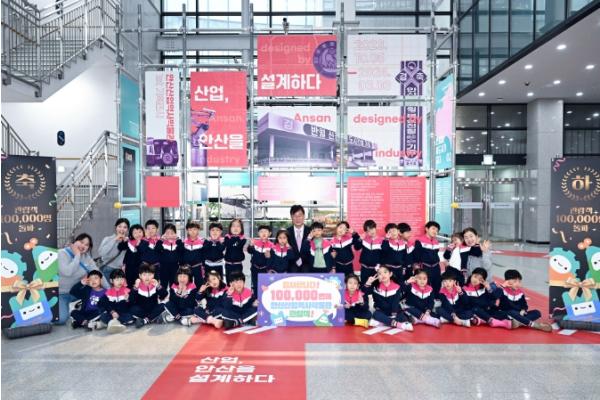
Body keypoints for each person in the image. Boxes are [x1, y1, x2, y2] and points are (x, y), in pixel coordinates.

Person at [57, 233, 108, 325]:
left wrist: (110, 291)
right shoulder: (61, 253)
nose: (83, 246)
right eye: (81, 242)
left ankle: (80, 308)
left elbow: (98, 273)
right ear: (75, 241)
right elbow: (67, 272)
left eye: (86, 245)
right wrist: (77, 255)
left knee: (96, 288)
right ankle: (73, 309)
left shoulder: (87, 258)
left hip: (77, 293)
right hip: (61, 293)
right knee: (61, 319)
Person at [363, 265, 413, 331]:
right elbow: (363, 293)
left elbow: (395, 302)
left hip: (394, 312)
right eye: (380, 273)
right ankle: (397, 324)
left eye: (385, 272)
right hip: (381, 311)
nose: (383, 275)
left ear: (390, 274)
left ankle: (384, 322)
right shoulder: (375, 287)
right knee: (376, 314)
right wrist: (368, 283)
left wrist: (393, 314)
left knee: (402, 317)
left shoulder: (397, 287)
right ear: (377, 276)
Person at [130, 262, 169, 328]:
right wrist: (135, 287)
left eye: (150, 274)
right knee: (132, 309)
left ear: (153, 275)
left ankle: (145, 320)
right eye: (144, 275)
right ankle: (153, 318)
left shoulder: (155, 284)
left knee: (164, 305)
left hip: (153, 308)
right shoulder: (138, 285)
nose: (147, 277)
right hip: (141, 310)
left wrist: (158, 286)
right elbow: (131, 299)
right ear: (140, 276)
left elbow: (164, 294)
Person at [97, 269, 134, 333]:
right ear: (111, 281)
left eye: (122, 279)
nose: (120, 281)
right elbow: (103, 303)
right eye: (117, 279)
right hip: (112, 314)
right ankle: (116, 323)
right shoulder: (108, 292)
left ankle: (111, 324)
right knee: (103, 316)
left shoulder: (127, 291)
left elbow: (131, 305)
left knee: (130, 317)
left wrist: (127, 300)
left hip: (123, 313)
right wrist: (112, 312)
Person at [413, 221, 443, 296]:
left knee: (437, 284)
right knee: (425, 285)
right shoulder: (419, 241)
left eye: (437, 230)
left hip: (436, 267)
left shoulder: (436, 242)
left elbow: (436, 253)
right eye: (433, 229)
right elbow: (416, 255)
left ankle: (436, 299)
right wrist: (417, 267)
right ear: (426, 229)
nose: (435, 231)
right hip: (425, 267)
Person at [354, 220, 383, 284]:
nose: (371, 232)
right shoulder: (364, 239)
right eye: (368, 231)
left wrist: (379, 265)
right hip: (364, 269)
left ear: (375, 228)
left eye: (372, 229)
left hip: (376, 269)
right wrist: (360, 239)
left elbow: (383, 255)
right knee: (364, 285)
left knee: (376, 286)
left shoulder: (382, 240)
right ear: (366, 232)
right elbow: (356, 248)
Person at [247, 225, 274, 293]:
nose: (263, 233)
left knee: (264, 286)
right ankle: (256, 297)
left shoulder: (272, 245)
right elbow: (250, 251)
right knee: (255, 285)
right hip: (255, 268)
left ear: (270, 233)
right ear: (258, 233)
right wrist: (251, 245)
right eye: (261, 232)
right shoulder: (255, 243)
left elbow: (273, 259)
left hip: (265, 269)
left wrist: (269, 256)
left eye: (265, 231)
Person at [118, 224, 144, 289]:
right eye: (135, 233)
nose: (138, 234)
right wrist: (123, 240)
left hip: (140, 268)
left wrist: (138, 245)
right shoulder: (129, 242)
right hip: (129, 267)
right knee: (129, 284)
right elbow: (120, 247)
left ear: (143, 232)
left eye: (140, 232)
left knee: (140, 284)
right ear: (131, 234)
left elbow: (143, 251)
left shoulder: (145, 242)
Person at [287, 205, 310, 272]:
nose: (297, 218)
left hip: (308, 265)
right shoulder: (286, 232)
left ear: (304, 216)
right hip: (291, 265)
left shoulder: (311, 231)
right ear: (291, 217)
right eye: (295, 216)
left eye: (300, 215)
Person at [158, 223, 182, 287]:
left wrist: (178, 239)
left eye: (172, 233)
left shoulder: (178, 242)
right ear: (164, 234)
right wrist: (161, 240)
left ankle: (173, 294)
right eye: (167, 233)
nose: (170, 235)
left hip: (175, 267)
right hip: (163, 268)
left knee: (174, 285)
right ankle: (163, 294)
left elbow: (182, 250)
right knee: (163, 285)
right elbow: (157, 249)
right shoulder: (161, 242)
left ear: (175, 233)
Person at [224, 219, 247, 283]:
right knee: (229, 282)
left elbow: (238, 245)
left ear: (241, 229)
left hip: (238, 265)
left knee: (237, 282)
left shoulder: (243, 238)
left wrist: (234, 239)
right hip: (228, 264)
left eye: (238, 226)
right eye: (233, 226)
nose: (235, 228)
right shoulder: (227, 237)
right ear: (230, 228)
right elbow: (229, 244)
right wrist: (233, 239)